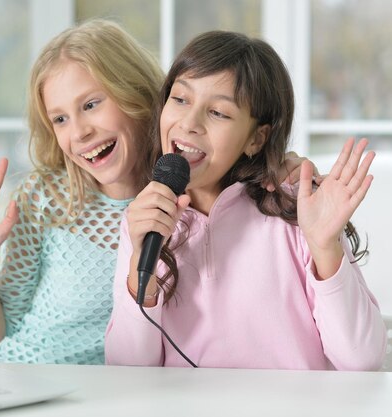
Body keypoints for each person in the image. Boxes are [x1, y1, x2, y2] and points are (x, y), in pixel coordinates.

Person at [0, 21, 318, 365]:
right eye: (60, 119)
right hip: (23, 381)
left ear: (135, 93)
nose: (80, 131)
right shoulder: (44, 197)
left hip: (117, 395)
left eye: (91, 105)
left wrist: (280, 164)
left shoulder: (189, 203)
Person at [104, 30, 387, 371]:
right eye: (180, 99)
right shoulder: (144, 219)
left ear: (256, 138)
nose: (189, 123)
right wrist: (141, 269)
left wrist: (324, 245)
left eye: (218, 113)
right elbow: (127, 369)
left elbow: (362, 360)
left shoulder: (298, 210)